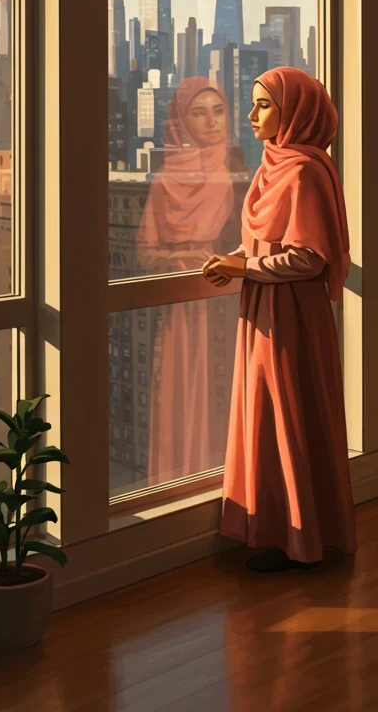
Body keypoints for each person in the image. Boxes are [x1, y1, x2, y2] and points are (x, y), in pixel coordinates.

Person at [202, 66, 357, 572]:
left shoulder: (306, 170)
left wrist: (243, 267)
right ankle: (273, 529)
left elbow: (308, 258)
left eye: (264, 105)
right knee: (266, 415)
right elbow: (267, 241)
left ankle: (298, 537)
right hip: (265, 306)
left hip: (292, 313)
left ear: (297, 112)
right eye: (252, 104)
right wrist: (235, 259)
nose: (251, 115)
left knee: (288, 415)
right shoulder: (274, 164)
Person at [137, 78, 241, 486]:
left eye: (219, 110)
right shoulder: (164, 179)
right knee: (182, 394)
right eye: (199, 112)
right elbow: (145, 252)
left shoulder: (236, 172)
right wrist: (188, 259)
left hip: (231, 299)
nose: (212, 121)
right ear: (180, 120)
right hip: (184, 307)